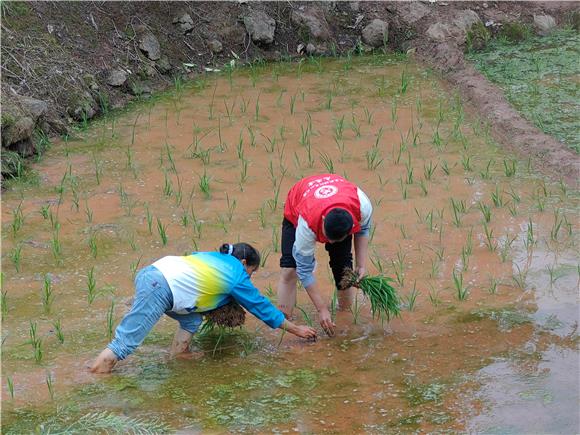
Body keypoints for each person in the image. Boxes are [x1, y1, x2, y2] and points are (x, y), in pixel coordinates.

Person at [91, 243, 317, 373]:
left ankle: (179, 354)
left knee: (192, 320)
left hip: (151, 274)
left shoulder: (211, 257)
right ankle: (95, 378)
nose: (250, 277)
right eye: (252, 271)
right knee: (124, 345)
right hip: (161, 288)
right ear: (244, 263)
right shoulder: (236, 273)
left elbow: (199, 288)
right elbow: (261, 307)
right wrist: (297, 330)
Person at [277, 174, 373, 336]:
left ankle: (344, 320)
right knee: (290, 269)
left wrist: (361, 265)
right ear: (322, 221)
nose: (330, 244)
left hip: (339, 201)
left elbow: (363, 230)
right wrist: (322, 309)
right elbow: (304, 270)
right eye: (328, 239)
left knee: (345, 273)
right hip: (300, 203)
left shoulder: (362, 205)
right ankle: (284, 325)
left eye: (336, 241)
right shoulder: (306, 224)